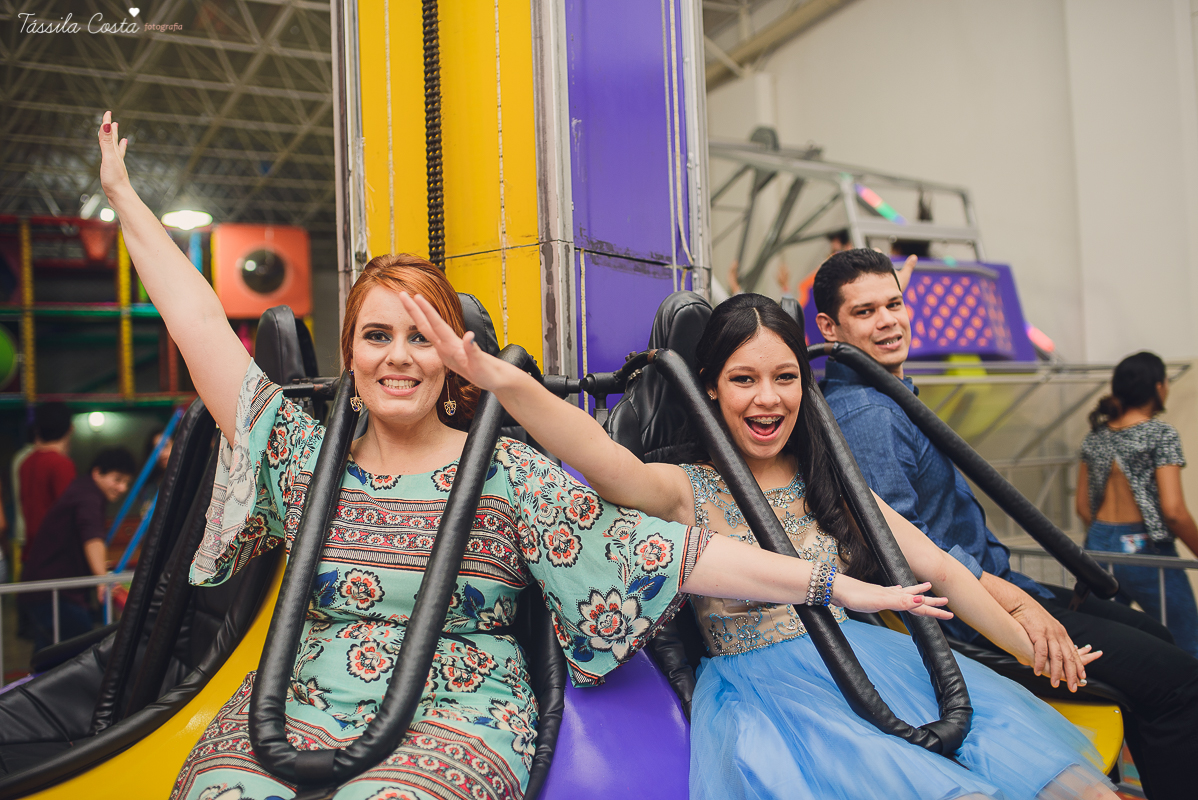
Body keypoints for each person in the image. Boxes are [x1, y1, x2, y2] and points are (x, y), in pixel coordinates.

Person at [96, 112, 948, 800]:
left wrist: (838, 585)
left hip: (453, 711)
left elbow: (675, 552)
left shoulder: (505, 473)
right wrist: (126, 200)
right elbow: (201, 326)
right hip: (300, 699)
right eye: (376, 335)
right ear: (350, 356)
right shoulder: (302, 455)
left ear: (452, 358)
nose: (399, 356)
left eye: (420, 338)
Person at [402, 289, 1114, 800]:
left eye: (784, 378)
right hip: (769, 698)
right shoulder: (686, 488)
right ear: (711, 389)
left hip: (876, 664)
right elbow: (597, 454)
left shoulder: (830, 484)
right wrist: (498, 378)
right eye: (744, 380)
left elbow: (942, 573)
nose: (766, 399)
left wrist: (1032, 650)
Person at [813, 247, 1198, 800]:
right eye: (866, 312)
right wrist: (1018, 609)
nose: (889, 321)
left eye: (894, 303)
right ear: (830, 327)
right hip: (975, 619)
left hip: (1007, 585)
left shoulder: (888, 394)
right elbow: (904, 553)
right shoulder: (868, 413)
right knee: (1179, 681)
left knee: (1157, 639)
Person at [1079, 351, 1198, 658]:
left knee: (1107, 645)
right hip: (1145, 550)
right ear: (1158, 387)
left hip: (1098, 549)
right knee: (1187, 643)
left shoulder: (1095, 438)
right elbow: (1173, 512)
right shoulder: (1160, 434)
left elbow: (1082, 507)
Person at [19, 447, 135, 653]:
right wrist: (102, 580)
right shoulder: (88, 496)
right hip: (54, 592)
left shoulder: (83, 490)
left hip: (45, 589)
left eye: (126, 482)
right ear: (97, 472)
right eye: (117, 479)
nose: (122, 488)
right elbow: (92, 537)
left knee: (50, 657)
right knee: (81, 654)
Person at [18, 401, 76, 552]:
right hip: (54, 553)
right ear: (71, 428)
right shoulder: (61, 464)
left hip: (31, 552)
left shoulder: (25, 463)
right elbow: (67, 516)